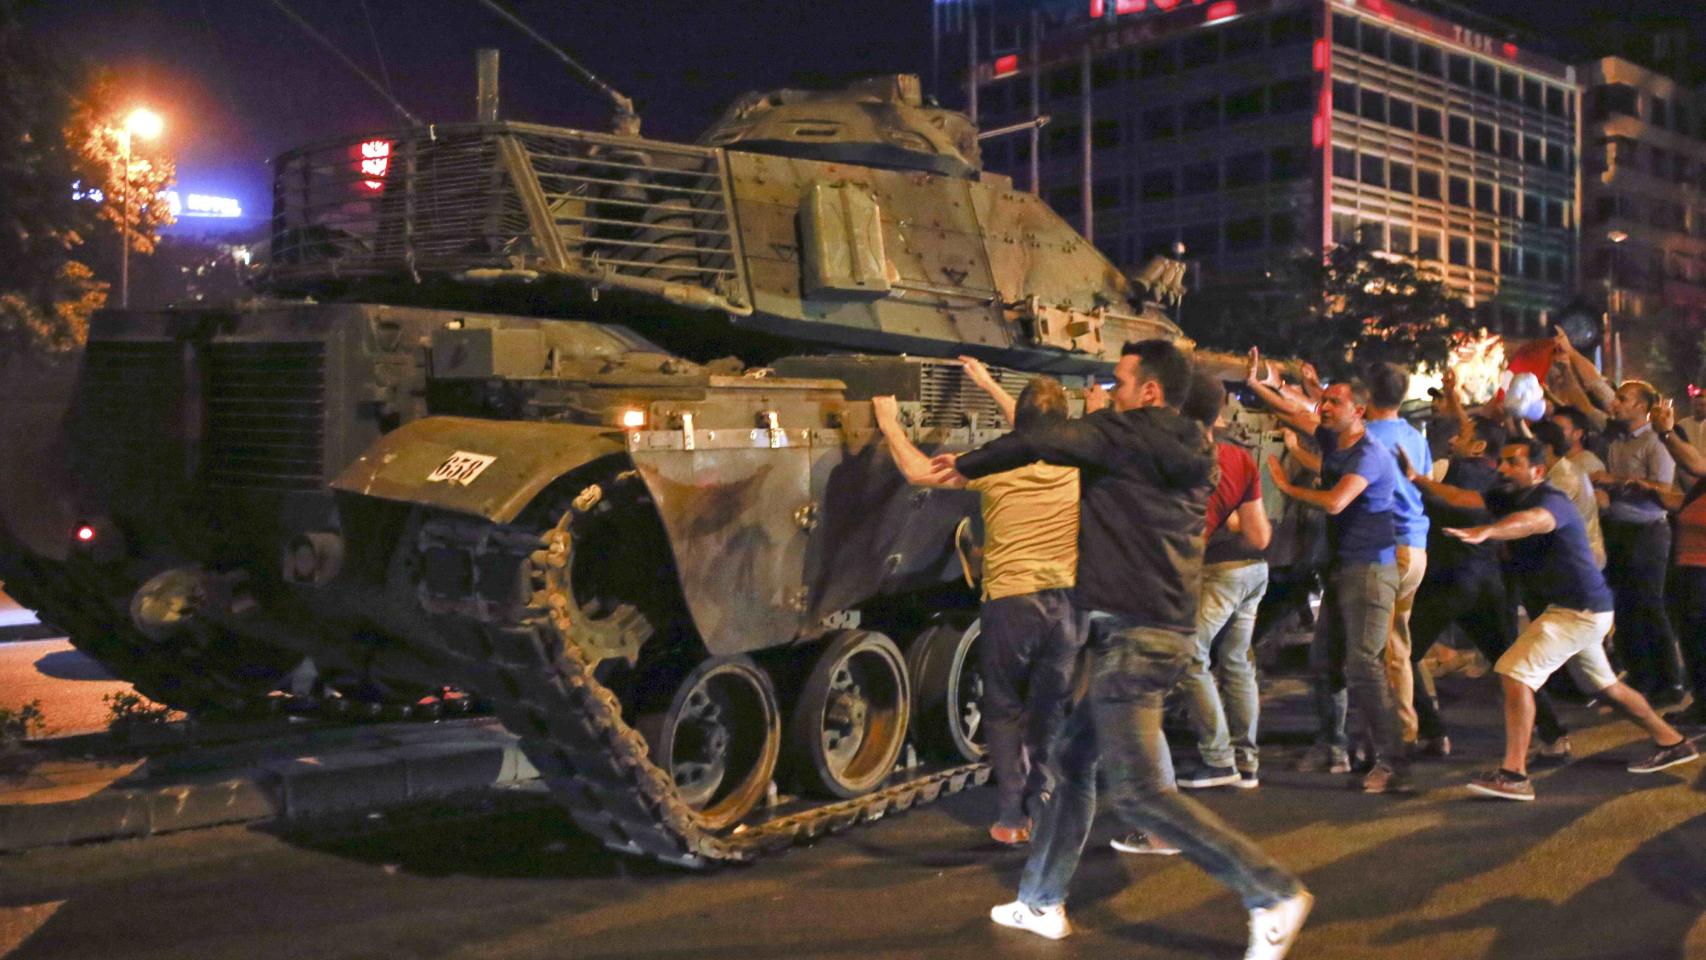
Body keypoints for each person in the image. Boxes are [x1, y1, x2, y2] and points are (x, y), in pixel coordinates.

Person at [932, 341, 1310, 959]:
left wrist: (967, 464)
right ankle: (1040, 900)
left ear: (1150, 392)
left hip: (1135, 636)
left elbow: (1041, 439)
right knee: (1072, 761)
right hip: (1156, 629)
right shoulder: (1195, 447)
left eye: (1120, 382)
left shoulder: (1128, 434)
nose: (1111, 393)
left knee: (1138, 793)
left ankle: (1269, 893)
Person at [871, 360, 1080, 846]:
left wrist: (889, 423)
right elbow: (1033, 432)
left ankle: (1011, 817)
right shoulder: (1077, 464)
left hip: (1013, 604)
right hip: (1067, 606)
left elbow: (917, 471)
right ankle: (1043, 799)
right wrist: (987, 385)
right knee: (1049, 709)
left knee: (1004, 708)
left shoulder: (997, 466)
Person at [1444, 437, 1699, 801]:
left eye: (1513, 462)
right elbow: (1462, 498)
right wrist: (1414, 480)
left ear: (1537, 470)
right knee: (1606, 687)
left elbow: (1531, 522)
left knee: (1514, 673)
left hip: (1578, 611)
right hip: (1580, 608)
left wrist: (1489, 531)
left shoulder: (1552, 500)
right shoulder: (1510, 495)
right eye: (1502, 461)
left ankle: (1513, 775)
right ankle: (1672, 741)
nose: (1502, 468)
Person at [1248, 353, 1406, 792]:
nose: (1326, 406)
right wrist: (1258, 385)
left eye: (1336, 401)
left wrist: (1286, 487)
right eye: (1326, 400)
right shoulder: (1335, 440)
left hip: (1370, 571)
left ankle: (1391, 762)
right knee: (1324, 662)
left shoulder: (1369, 454)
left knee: (1365, 666)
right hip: (1341, 568)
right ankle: (1334, 747)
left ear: (1360, 410)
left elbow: (1336, 502)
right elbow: (1293, 413)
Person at [1396, 417, 1572, 761]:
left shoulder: (1447, 470)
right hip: (1487, 583)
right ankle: (1554, 734)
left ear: (1477, 447)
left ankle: (1432, 732)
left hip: (1446, 581)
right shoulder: (1500, 485)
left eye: (1461, 435)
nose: (1452, 441)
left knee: (1400, 656)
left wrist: (1415, 479)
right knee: (1510, 661)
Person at [1171, 371, 1272, 790]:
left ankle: (1217, 760)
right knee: (1236, 663)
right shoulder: (1240, 458)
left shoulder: (1179, 458)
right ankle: (1246, 763)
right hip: (1253, 573)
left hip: (1217, 574)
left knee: (1189, 654)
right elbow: (1260, 536)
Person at [1594, 380, 1688, 709]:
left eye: (1623, 399)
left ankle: (1670, 680)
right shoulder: (1617, 441)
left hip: (1647, 531)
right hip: (1618, 528)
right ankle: (1640, 674)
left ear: (1641, 407)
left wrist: (1617, 481)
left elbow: (1663, 488)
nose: (1615, 403)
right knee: (1625, 606)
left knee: (1649, 605)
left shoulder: (1656, 442)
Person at [1360, 362, 1432, 748]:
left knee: (1376, 650)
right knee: (1397, 646)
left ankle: (1393, 736)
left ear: (1367, 394)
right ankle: (1406, 728)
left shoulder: (1366, 437)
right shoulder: (1414, 436)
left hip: (1389, 549)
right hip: (1416, 547)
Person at [1648, 398, 1706, 727]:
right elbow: (1686, 500)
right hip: (1690, 563)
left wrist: (1667, 434)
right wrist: (1648, 490)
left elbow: (1696, 465)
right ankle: (1702, 702)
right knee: (1693, 639)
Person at [1551, 406, 1607, 481]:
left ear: (1577, 434)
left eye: (1558, 429)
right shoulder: (1550, 458)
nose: (1552, 433)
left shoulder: (1589, 465)